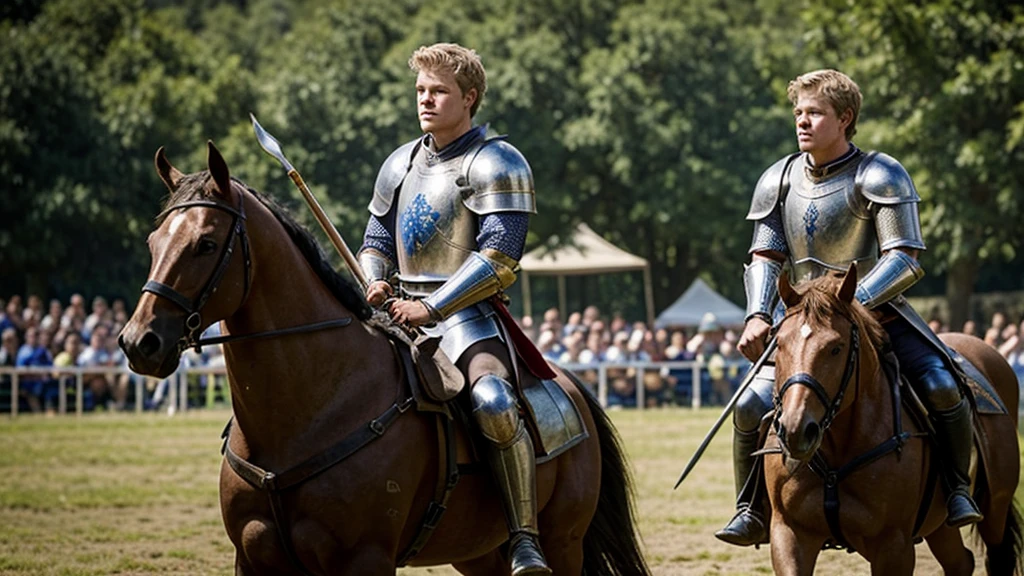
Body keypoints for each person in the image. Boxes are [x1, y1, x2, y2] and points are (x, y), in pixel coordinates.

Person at [717, 69, 982, 546]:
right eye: (798, 112)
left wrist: (850, 305)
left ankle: (957, 489)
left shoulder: (880, 173)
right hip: (802, 321)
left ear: (845, 118)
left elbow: (903, 255)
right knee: (749, 406)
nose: (802, 121)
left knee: (943, 387)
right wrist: (758, 314)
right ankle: (750, 508)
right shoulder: (777, 179)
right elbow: (765, 254)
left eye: (814, 113)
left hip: (877, 312)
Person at [355, 43, 550, 574]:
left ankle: (523, 534)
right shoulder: (399, 163)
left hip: (467, 321)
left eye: (438, 91)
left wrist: (434, 308)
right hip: (394, 313)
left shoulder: (497, 161)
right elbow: (374, 238)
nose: (426, 100)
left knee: (492, 401)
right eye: (420, 90)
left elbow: (501, 257)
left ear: (469, 98)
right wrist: (374, 280)